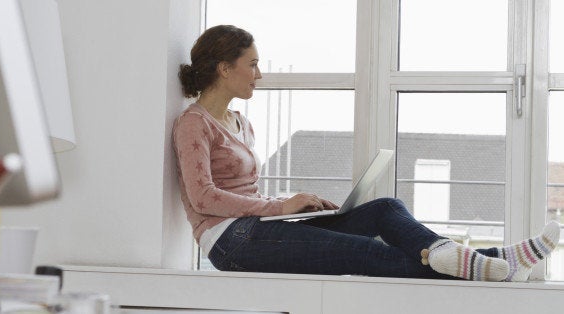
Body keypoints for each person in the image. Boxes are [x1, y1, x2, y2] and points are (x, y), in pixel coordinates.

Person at [172, 24, 561, 281]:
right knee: (367, 253)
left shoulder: (241, 121)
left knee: (385, 209)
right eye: (252, 64)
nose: (259, 74)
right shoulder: (194, 123)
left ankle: (462, 254)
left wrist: (297, 206)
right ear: (224, 68)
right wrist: (280, 207)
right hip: (230, 242)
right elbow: (202, 197)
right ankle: (501, 262)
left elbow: (246, 196)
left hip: (260, 227)